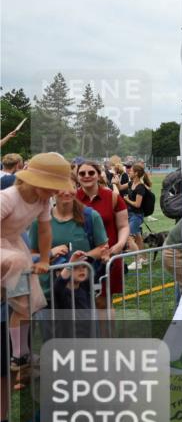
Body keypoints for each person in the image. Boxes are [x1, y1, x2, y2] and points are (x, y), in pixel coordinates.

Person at [1, 153, 74, 389]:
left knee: (27, 303)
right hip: (4, 248)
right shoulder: (8, 198)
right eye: (51, 186)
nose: (55, 192)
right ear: (33, 181)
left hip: (14, 246)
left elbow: (44, 231)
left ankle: (19, 354)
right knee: (18, 262)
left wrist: (44, 258)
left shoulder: (43, 202)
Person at [75, 159, 129, 307]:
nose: (87, 176)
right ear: (77, 176)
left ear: (99, 175)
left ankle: (106, 332)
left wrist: (120, 244)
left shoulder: (112, 197)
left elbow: (124, 225)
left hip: (108, 257)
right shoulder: (72, 198)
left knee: (103, 302)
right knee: (79, 303)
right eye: (82, 173)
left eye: (91, 172)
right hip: (80, 259)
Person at [121, 161, 152, 268]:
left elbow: (137, 205)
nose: (128, 172)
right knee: (138, 238)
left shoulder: (140, 187)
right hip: (130, 214)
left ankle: (137, 262)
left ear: (136, 173)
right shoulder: (131, 183)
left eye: (131, 171)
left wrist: (127, 199)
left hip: (137, 215)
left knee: (128, 237)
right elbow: (120, 188)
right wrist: (115, 182)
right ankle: (144, 258)